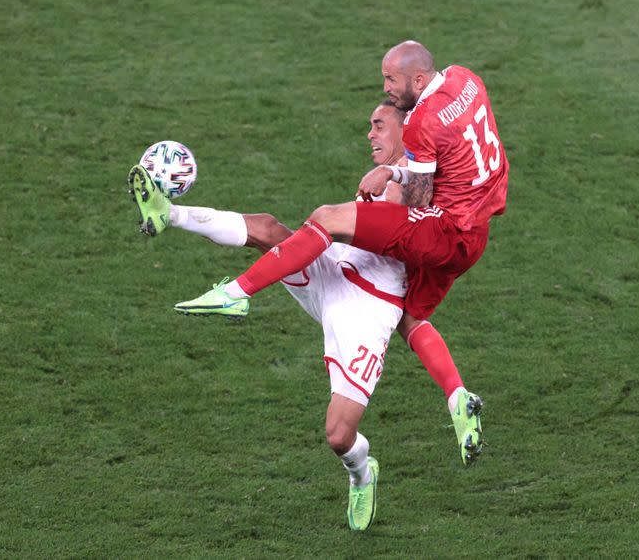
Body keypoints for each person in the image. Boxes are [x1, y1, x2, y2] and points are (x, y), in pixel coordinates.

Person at [169, 40, 506, 465]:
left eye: (391, 82)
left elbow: (417, 196)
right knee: (410, 314)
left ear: (418, 81)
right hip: (474, 234)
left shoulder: (422, 126)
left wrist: (391, 170)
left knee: (327, 219)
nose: (385, 89)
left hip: (416, 258)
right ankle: (457, 396)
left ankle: (238, 293)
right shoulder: (466, 79)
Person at [130, 101, 420, 531]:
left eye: (379, 126)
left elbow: (406, 216)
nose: (370, 134)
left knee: (339, 435)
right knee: (267, 229)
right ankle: (167, 213)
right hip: (334, 266)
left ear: (404, 130)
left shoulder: (414, 182)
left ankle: (362, 473)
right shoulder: (386, 173)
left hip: (367, 309)